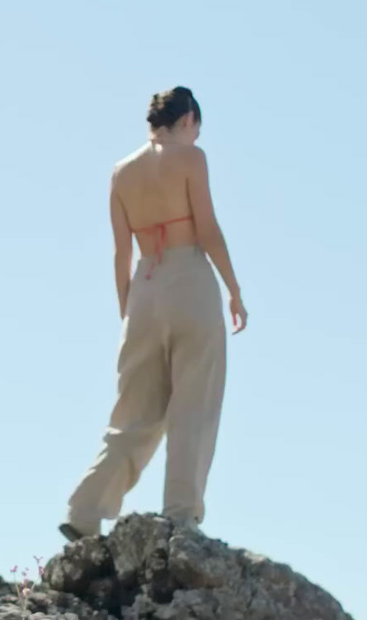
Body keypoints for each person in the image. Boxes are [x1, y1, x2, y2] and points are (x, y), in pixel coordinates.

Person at [60, 86, 248, 540]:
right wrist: (235, 290)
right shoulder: (191, 158)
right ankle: (181, 514)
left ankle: (85, 509)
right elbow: (207, 229)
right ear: (188, 121)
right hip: (189, 281)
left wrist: (128, 310)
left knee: (134, 409)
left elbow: (120, 253)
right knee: (194, 402)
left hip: (144, 287)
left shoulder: (121, 172)